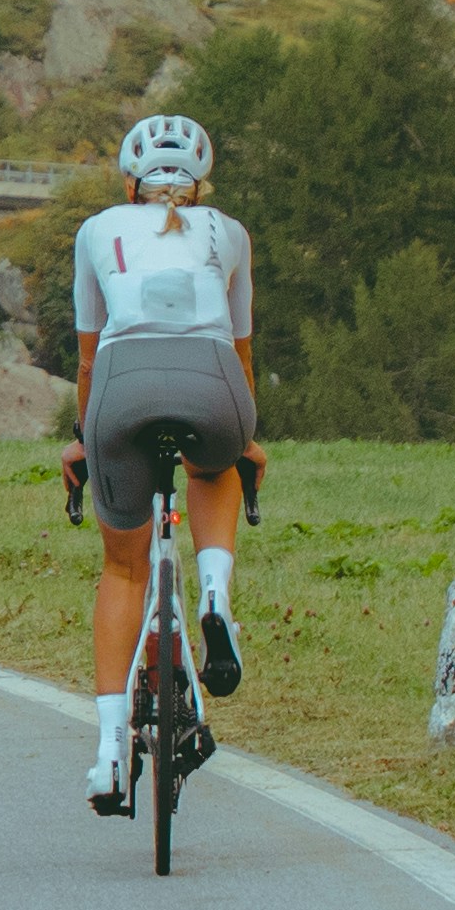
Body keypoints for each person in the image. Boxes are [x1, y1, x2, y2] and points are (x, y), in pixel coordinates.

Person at [65, 110, 258, 811]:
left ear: (128, 182)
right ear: (203, 185)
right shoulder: (230, 234)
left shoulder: (96, 232)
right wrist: (245, 437)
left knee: (123, 567)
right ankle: (213, 594)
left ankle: (111, 755)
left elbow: (89, 359)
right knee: (216, 466)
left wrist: (84, 439)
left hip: (121, 388)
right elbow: (240, 350)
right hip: (214, 388)